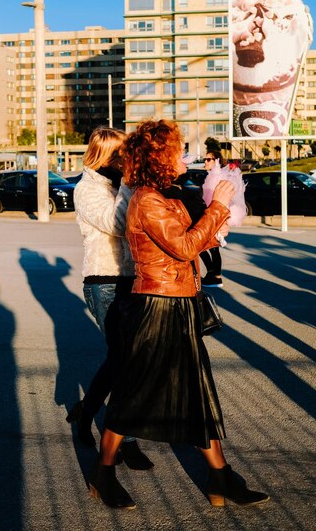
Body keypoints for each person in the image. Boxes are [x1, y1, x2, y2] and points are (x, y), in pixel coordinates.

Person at [89, 120, 269, 510]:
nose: (184, 155)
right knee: (133, 396)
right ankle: (103, 473)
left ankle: (221, 477)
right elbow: (186, 247)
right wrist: (219, 205)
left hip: (181, 303)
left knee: (199, 394)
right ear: (160, 158)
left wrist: (220, 212)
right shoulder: (147, 201)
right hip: (155, 307)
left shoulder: (168, 196)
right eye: (178, 149)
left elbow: (197, 238)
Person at [67, 127, 153, 470]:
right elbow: (117, 223)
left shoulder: (118, 185)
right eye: (121, 154)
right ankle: (126, 441)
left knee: (121, 360)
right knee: (126, 363)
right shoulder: (87, 189)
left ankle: (85, 412)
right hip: (104, 282)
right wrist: (131, 184)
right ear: (105, 154)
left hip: (133, 281)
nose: (125, 160)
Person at [200, 150, 226, 288]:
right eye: (205, 159)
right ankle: (215, 276)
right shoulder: (212, 175)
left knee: (205, 246)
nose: (205, 161)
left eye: (208, 159)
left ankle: (214, 276)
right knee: (212, 247)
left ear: (216, 161)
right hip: (213, 215)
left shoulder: (217, 176)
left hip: (213, 215)